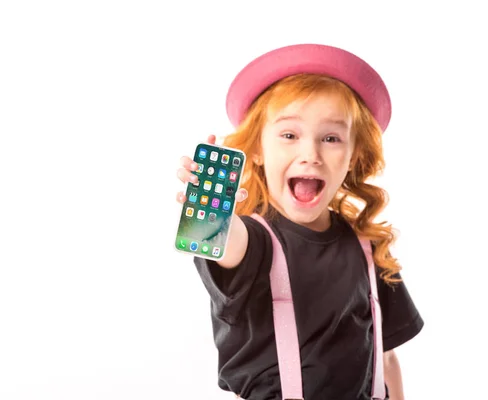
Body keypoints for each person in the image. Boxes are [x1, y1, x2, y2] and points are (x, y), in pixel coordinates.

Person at [175, 44, 424, 400]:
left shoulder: (366, 246)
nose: (311, 155)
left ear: (353, 156)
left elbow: (385, 357)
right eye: (289, 135)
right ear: (257, 151)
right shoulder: (256, 242)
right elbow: (225, 242)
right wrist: (211, 209)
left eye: (331, 138)